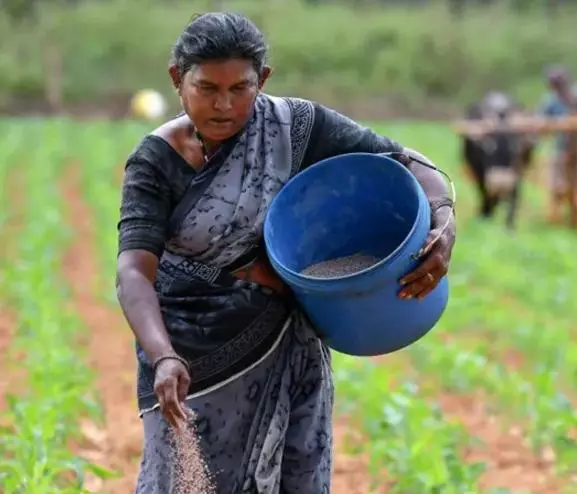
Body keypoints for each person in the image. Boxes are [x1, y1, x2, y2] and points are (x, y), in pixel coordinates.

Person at [115, 12, 456, 493]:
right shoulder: (155, 162)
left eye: (241, 88)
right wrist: (163, 356)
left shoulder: (292, 126)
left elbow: (407, 162)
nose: (224, 105)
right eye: (207, 88)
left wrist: (443, 220)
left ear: (263, 79)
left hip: (289, 346)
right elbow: (133, 271)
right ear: (177, 79)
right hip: (189, 360)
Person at [536, 65, 577, 223]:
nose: (558, 88)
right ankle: (560, 216)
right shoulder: (550, 100)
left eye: (560, 83)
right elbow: (540, 122)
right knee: (557, 186)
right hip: (560, 148)